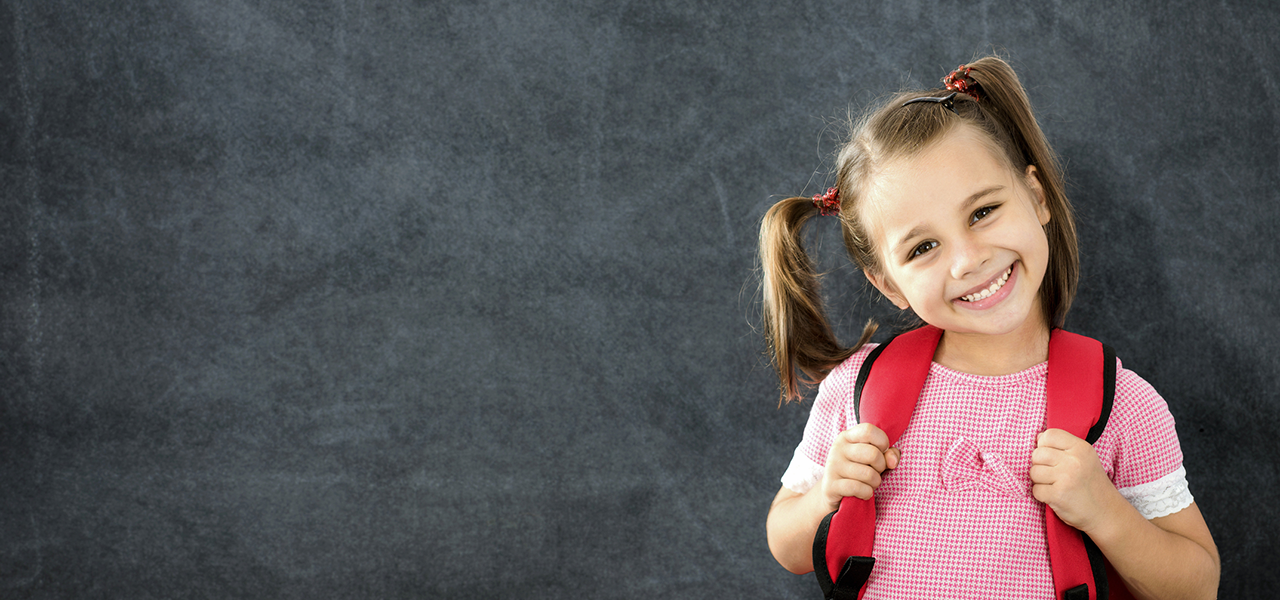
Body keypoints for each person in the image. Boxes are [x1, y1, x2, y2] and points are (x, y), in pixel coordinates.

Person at [759, 57, 1219, 599]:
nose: (968, 260)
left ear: (1037, 197)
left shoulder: (1122, 406)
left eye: (982, 212)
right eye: (923, 247)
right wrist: (826, 497)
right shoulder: (857, 391)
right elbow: (786, 545)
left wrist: (1106, 512)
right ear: (888, 285)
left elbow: (1197, 586)